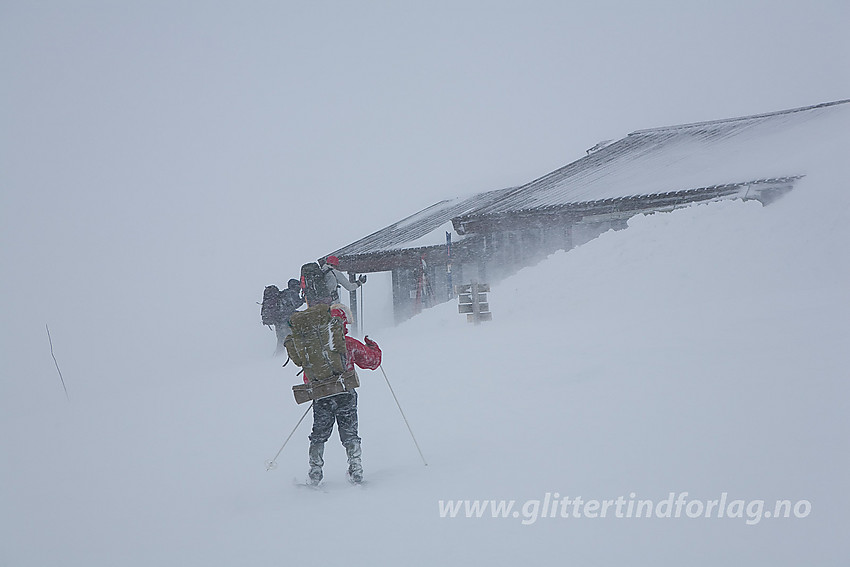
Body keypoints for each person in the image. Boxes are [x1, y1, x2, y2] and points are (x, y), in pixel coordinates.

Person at [307, 303, 381, 485]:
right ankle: (356, 469)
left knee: (318, 434)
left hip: (321, 395)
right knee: (350, 433)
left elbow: (307, 377)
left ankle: (315, 472)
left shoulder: (316, 347)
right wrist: (374, 347)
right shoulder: (349, 344)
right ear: (344, 322)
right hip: (345, 394)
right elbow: (372, 362)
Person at [274, 279, 304, 355]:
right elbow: (295, 304)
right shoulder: (292, 293)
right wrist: (302, 300)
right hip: (286, 321)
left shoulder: (283, 293)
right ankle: (290, 355)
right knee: (290, 338)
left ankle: (277, 356)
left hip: (278, 321)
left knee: (280, 340)